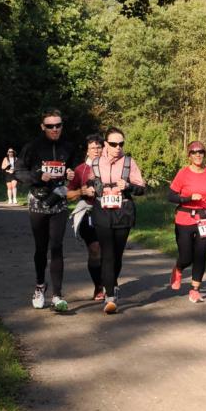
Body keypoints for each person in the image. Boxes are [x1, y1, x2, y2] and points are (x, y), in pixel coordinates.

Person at [16, 108, 76, 312]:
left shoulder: (68, 147)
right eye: (50, 126)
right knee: (41, 248)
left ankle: (57, 295)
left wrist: (70, 174)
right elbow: (18, 172)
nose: (55, 129)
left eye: (58, 125)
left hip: (59, 200)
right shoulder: (32, 147)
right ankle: (40, 286)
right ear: (43, 127)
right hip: (38, 201)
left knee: (57, 246)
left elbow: (74, 171)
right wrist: (37, 177)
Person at [85, 127, 145, 314]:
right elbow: (89, 182)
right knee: (107, 254)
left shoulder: (129, 162)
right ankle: (110, 297)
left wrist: (127, 185)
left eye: (121, 144)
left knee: (117, 255)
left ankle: (112, 283)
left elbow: (141, 188)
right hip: (102, 211)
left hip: (123, 211)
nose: (118, 147)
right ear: (105, 145)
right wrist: (91, 188)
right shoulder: (95, 163)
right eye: (113, 144)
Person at [167, 141, 206, 303]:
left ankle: (195, 290)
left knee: (201, 255)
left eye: (201, 152)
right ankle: (178, 269)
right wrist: (187, 198)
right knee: (186, 257)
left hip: (205, 218)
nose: (198, 155)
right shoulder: (183, 173)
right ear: (189, 156)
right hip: (184, 218)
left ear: (204, 154)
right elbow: (171, 196)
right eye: (194, 152)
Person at [66, 133, 105, 301]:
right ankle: (98, 286)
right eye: (92, 148)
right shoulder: (80, 170)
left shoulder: (112, 167)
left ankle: (109, 283)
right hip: (88, 212)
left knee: (109, 252)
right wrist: (81, 191)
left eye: (99, 147)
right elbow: (67, 194)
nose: (96, 150)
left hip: (110, 213)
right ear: (87, 151)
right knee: (95, 250)